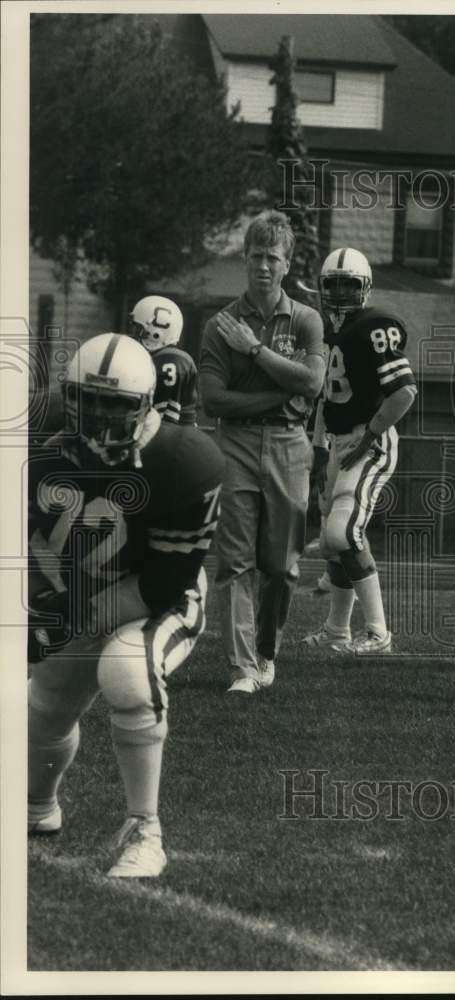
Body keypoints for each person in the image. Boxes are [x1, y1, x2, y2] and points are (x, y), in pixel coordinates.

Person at [27, 333, 224, 878]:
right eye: (87, 403)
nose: (96, 420)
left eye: (114, 406)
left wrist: (60, 620)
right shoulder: (40, 439)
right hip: (85, 585)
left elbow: (161, 584)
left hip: (162, 595)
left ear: (144, 407)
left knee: (125, 670)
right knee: (43, 705)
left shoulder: (182, 459)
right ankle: (35, 806)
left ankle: (145, 829)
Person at [199, 210, 325, 694]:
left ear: (288, 264)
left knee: (282, 567)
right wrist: (280, 390)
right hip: (235, 442)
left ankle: (266, 652)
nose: (264, 266)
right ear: (244, 260)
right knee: (234, 561)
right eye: (256, 256)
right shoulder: (221, 324)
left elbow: (312, 382)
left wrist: (254, 352)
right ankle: (242, 667)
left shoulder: (307, 320)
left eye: (273, 257)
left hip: (291, 446)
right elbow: (212, 399)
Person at [300, 247, 417, 654]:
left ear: (365, 288)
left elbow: (404, 392)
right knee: (332, 544)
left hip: (368, 441)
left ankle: (379, 633)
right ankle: (336, 631)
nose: (340, 293)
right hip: (336, 443)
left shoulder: (374, 326)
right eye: (332, 284)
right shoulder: (327, 331)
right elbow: (323, 401)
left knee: (343, 532)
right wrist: (317, 449)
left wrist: (369, 437)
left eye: (349, 285)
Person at [129, 294, 198, 426]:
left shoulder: (170, 360)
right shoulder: (156, 358)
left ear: (156, 334)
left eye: (138, 328)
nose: (133, 333)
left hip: (169, 436)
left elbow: (163, 420)